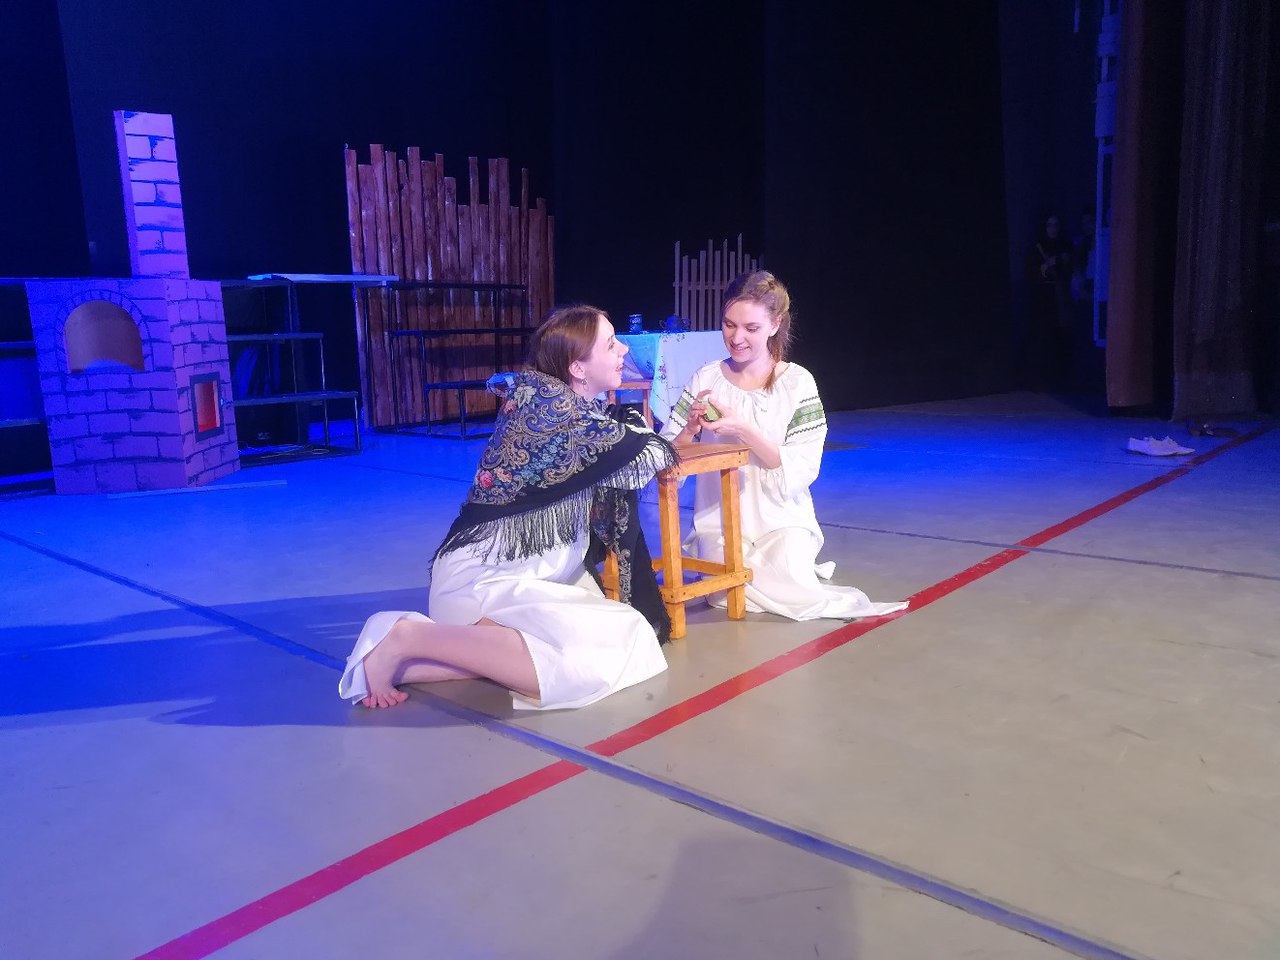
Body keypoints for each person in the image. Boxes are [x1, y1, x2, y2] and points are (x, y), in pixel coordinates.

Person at [339, 305, 678, 710]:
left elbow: (633, 454)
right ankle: (409, 637)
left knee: (628, 633)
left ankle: (403, 660)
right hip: (484, 584)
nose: (624, 349)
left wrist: (651, 428)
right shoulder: (557, 414)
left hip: (531, 580)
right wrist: (639, 426)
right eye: (610, 344)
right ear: (578, 368)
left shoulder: (562, 404)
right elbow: (649, 452)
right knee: (591, 660)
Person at [659, 271, 907, 622]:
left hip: (779, 518)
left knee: (792, 585)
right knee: (721, 592)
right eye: (729, 325)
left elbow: (802, 464)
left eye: (751, 328)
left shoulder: (796, 382)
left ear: (775, 324)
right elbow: (669, 453)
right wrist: (690, 429)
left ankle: (789, 566)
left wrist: (744, 430)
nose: (737, 338)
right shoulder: (706, 377)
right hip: (720, 521)